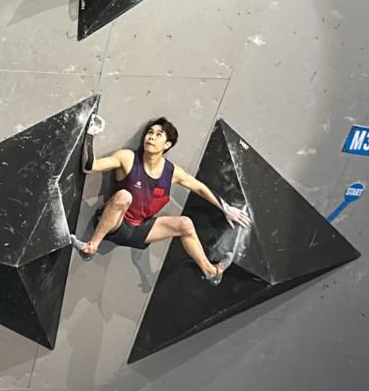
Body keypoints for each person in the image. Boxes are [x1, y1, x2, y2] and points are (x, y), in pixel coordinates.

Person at [71, 114, 251, 284]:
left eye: (158, 135)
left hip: (139, 230)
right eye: (150, 132)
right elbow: (89, 166)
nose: (151, 137)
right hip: (115, 224)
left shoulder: (172, 172)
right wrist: (90, 135)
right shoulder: (127, 158)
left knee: (185, 224)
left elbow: (199, 187)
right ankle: (90, 248)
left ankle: (211, 272)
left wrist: (226, 209)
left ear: (167, 144)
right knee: (124, 196)